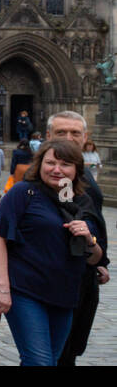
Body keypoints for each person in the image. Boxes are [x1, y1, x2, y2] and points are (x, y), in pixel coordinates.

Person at [0, 139, 104, 366]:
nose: (57, 169)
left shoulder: (80, 200)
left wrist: (90, 240)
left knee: (50, 360)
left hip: (65, 294)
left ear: (77, 170)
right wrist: (2, 288)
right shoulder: (24, 192)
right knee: (39, 362)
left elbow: (95, 258)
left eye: (65, 164)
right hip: (24, 289)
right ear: (39, 164)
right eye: (50, 162)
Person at [46, 112, 110, 367]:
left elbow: (93, 222)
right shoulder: (51, 178)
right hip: (57, 279)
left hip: (83, 275)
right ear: (49, 136)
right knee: (54, 354)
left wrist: (98, 258)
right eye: (61, 133)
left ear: (85, 138)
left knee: (69, 350)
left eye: (75, 133)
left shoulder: (82, 175)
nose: (69, 138)